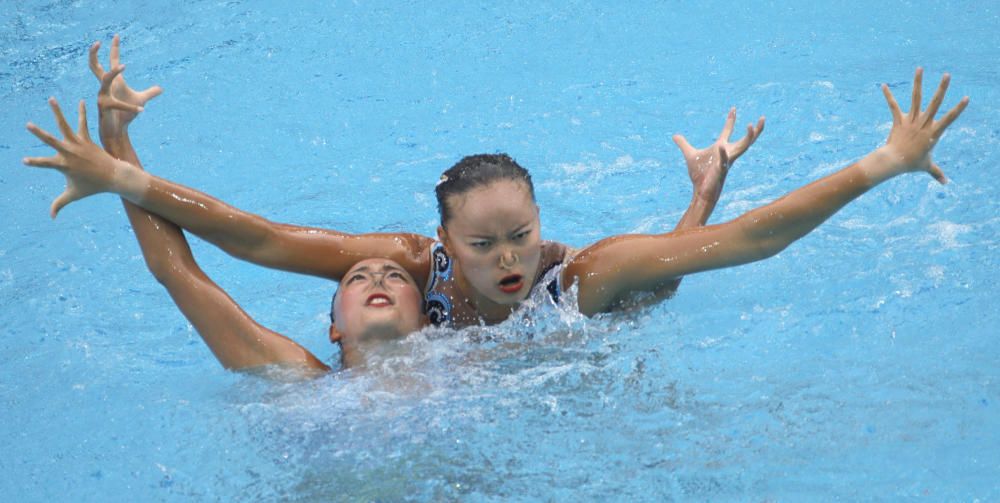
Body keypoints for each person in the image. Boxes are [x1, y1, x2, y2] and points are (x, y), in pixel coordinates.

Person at [24, 38, 967, 328]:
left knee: (654, 283)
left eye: (519, 234)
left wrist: (878, 164)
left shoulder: (576, 278)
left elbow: (751, 244)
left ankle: (700, 189)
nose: (509, 259)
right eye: (482, 245)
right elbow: (254, 237)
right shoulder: (398, 271)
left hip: (588, 359)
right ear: (443, 243)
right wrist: (121, 169)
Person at [73, 37, 427, 376]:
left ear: (426, 321)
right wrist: (117, 145)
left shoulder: (471, 363)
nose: (378, 277)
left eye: (396, 276)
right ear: (334, 329)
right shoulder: (299, 380)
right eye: (357, 278)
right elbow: (174, 270)